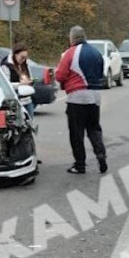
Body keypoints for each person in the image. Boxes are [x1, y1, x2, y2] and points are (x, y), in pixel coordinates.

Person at [55, 26, 107, 174]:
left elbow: (60, 75)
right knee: (94, 129)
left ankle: (80, 164)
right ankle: (101, 155)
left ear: (72, 38)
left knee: (76, 133)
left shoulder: (71, 53)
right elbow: (101, 73)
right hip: (95, 96)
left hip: (77, 97)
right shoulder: (96, 53)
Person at [4, 44, 35, 119]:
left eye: (25, 58)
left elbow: (30, 76)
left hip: (27, 99)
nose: (23, 60)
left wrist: (31, 81)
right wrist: (20, 84)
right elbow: (6, 84)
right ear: (15, 54)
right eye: (22, 57)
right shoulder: (6, 66)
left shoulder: (25, 64)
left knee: (30, 122)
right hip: (15, 101)